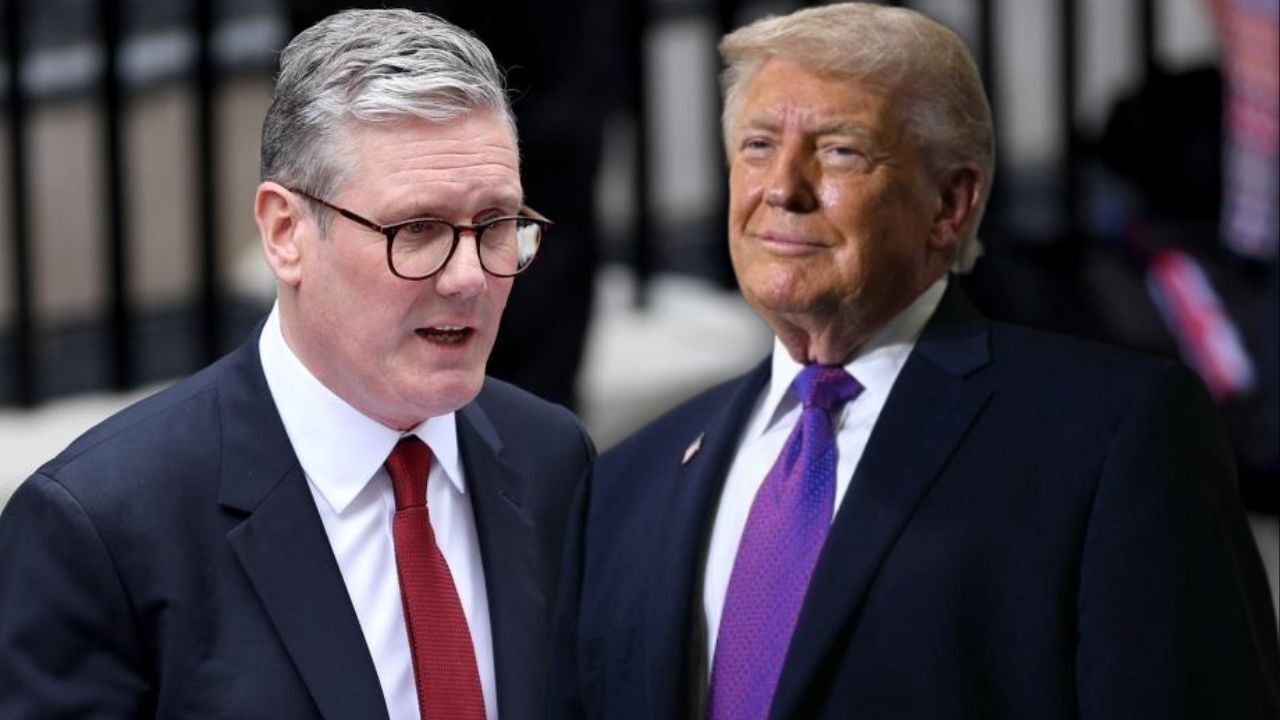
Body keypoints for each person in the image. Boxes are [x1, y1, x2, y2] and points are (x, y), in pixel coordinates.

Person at [547, 4, 1280, 719]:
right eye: (758, 145)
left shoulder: (1113, 438)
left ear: (950, 205)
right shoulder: (624, 484)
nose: (783, 188)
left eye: (840, 150)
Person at [0, 9, 592, 720]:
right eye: (418, 228)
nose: (469, 277)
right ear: (286, 233)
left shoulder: (551, 458)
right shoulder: (99, 529)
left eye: (495, 225)